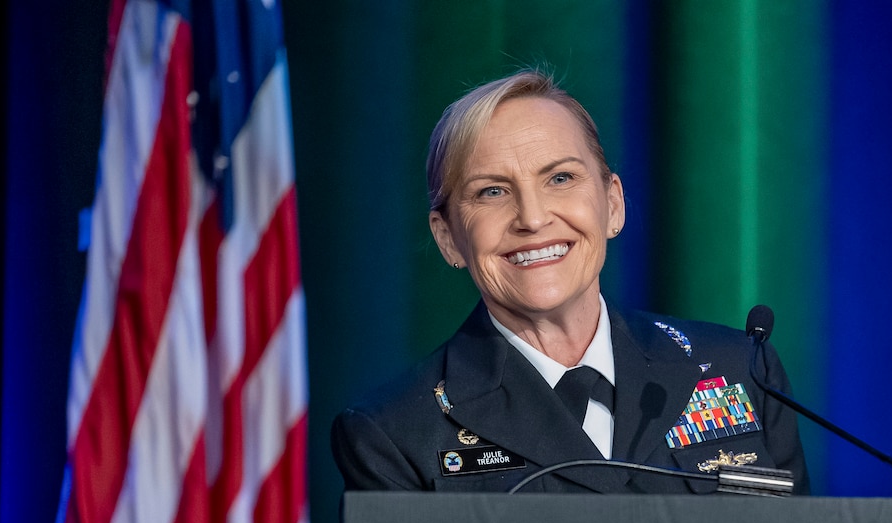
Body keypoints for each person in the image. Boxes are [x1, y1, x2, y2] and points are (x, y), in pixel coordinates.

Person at [331, 69, 810, 495]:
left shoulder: (740, 370)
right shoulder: (394, 433)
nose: (534, 219)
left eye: (560, 178)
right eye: (492, 191)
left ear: (613, 205)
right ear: (449, 239)